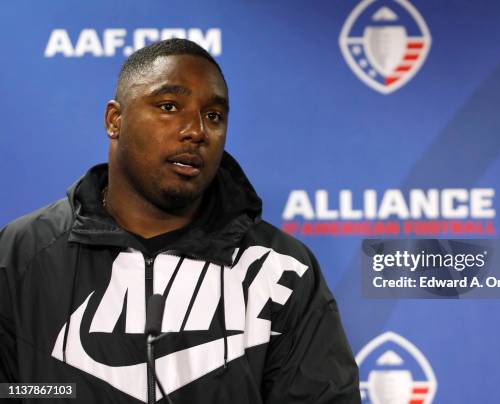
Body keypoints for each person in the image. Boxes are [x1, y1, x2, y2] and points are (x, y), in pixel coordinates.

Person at [0, 39, 360, 403]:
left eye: (214, 116)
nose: (196, 130)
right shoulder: (21, 254)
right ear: (115, 120)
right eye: (169, 106)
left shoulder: (279, 268)